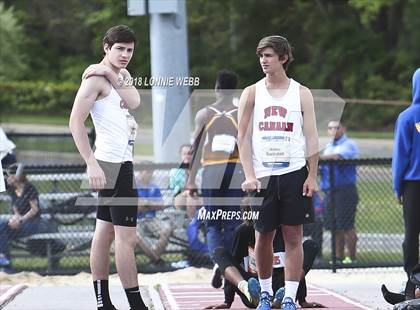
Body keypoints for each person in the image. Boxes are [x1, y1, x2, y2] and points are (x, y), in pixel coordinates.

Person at [69, 25, 148, 310]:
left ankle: (104, 303)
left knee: (103, 234)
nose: (125, 55)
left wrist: (110, 73)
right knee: (127, 238)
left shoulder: (119, 75)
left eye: (129, 50)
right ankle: (136, 304)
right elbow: (75, 122)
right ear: (106, 47)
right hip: (108, 163)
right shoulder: (93, 81)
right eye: (119, 49)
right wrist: (91, 163)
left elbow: (135, 101)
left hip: (120, 162)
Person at [237, 35, 319, 310]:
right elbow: (243, 137)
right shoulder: (251, 92)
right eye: (261, 55)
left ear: (283, 58)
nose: (263, 60)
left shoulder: (301, 92)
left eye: (269, 55)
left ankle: (289, 297)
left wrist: (312, 175)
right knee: (263, 236)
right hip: (263, 175)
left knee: (294, 236)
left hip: (294, 171)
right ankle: (266, 293)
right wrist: (249, 174)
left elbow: (311, 137)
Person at [204, 202, 324, 309]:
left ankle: (285, 294)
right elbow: (234, 263)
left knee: (310, 245)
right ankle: (247, 290)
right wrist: (227, 301)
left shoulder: (285, 231)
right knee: (219, 252)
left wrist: (302, 299)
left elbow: (296, 263)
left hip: (282, 285)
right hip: (253, 285)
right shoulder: (243, 232)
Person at [186, 70, 244, 284]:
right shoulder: (241, 112)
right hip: (234, 170)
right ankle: (229, 265)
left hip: (211, 169)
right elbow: (248, 146)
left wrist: (190, 181)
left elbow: (195, 148)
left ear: (217, 88)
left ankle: (219, 263)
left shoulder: (204, 114)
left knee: (212, 223)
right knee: (231, 222)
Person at [0, 164, 61, 271]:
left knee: (2, 228)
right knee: (1, 230)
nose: (7, 178)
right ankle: (6, 264)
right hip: (21, 222)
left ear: (17, 176)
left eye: (10, 175)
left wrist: (21, 219)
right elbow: (16, 209)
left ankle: (7, 265)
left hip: (34, 222)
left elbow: (34, 209)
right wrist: (16, 218)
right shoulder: (12, 189)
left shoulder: (29, 188)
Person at [392, 68, 420, 285]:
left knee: (412, 233)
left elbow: (401, 156)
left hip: (413, 185)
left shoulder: (407, 117)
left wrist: (397, 187)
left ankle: (412, 277)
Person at [319, 120, 359, 264]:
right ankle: (338, 258)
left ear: (343, 128)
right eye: (330, 128)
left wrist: (316, 158)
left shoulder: (349, 144)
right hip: (329, 191)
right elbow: (323, 167)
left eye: (337, 127)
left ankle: (352, 258)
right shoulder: (328, 146)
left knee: (347, 225)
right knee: (334, 226)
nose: (334, 130)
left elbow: (337, 157)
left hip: (345, 191)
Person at [136, 162, 173, 268]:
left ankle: (154, 260)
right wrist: (150, 204)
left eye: (151, 172)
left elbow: (161, 205)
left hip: (151, 219)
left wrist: (146, 203)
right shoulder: (133, 185)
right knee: (135, 236)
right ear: (140, 172)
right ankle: (157, 260)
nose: (150, 174)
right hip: (136, 220)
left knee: (167, 229)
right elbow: (137, 207)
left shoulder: (154, 187)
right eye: (147, 172)